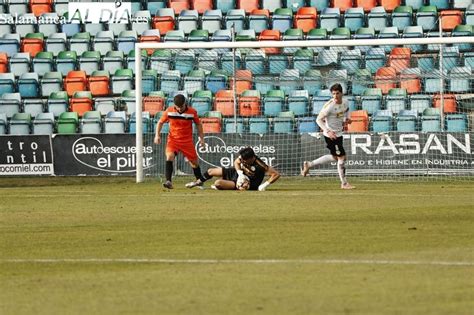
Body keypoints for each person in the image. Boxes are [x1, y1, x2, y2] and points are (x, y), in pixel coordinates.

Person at [301, 83, 355, 189]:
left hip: (339, 133)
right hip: (331, 135)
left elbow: (346, 111)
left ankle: (309, 164)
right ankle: (344, 183)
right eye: (333, 94)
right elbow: (318, 119)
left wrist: (347, 119)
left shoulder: (345, 102)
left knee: (336, 157)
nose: (335, 96)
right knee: (342, 157)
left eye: (337, 93)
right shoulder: (329, 106)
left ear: (341, 93)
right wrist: (327, 131)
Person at [154, 94, 205, 189]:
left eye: (181, 107)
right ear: (174, 105)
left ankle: (199, 180)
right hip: (173, 140)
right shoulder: (169, 111)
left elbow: (198, 124)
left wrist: (201, 139)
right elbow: (160, 122)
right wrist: (157, 135)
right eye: (177, 107)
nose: (179, 109)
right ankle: (168, 181)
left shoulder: (192, 112)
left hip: (187, 141)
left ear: (185, 103)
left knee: (194, 162)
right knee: (169, 156)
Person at [186, 147, 280, 191]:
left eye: (244, 160)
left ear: (251, 158)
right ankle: (197, 182)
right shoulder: (243, 158)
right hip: (238, 174)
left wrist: (264, 185)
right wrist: (240, 173)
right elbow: (236, 162)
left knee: (218, 183)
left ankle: (222, 186)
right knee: (211, 171)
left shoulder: (260, 165)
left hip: (245, 183)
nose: (242, 161)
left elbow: (276, 174)